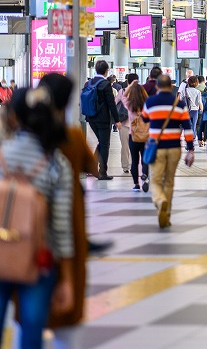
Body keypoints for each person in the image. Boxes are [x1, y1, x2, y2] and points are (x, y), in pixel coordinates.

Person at [0, 87, 75, 349]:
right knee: (32, 329)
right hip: (39, 256)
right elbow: (62, 226)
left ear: (13, 118)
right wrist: (66, 277)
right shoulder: (57, 164)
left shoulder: (2, 155)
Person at [32, 74, 98, 348]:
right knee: (67, 311)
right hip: (68, 221)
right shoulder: (70, 135)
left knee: (31, 301)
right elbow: (93, 168)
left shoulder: (25, 137)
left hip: (28, 227)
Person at [141, 75, 195, 228]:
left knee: (156, 179)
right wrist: (190, 149)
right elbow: (188, 128)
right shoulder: (179, 104)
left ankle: (160, 201)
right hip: (174, 147)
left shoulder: (150, 102)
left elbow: (144, 119)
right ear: (171, 87)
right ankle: (167, 215)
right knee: (169, 181)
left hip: (156, 147)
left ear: (157, 87)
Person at [84, 60, 119, 180]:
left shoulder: (89, 83)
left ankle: (90, 165)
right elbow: (111, 104)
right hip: (103, 120)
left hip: (91, 117)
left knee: (101, 142)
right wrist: (117, 120)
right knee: (105, 145)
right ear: (106, 71)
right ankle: (102, 172)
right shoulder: (105, 84)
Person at [123, 78, 150, 192]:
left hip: (133, 135)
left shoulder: (130, 105)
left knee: (134, 160)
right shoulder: (148, 104)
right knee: (145, 159)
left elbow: (123, 96)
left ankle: (136, 184)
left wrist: (130, 86)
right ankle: (144, 177)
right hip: (145, 136)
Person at [114, 75, 133, 174]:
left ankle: (125, 166)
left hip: (124, 123)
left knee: (125, 146)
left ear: (128, 81)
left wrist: (116, 119)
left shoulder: (122, 91)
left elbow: (114, 103)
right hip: (137, 124)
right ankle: (133, 165)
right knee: (136, 146)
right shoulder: (141, 92)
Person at [183, 76, 203, 142]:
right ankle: (193, 138)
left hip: (186, 110)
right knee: (194, 125)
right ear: (196, 83)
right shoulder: (198, 92)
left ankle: (187, 139)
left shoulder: (185, 90)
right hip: (195, 111)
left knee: (187, 126)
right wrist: (202, 109)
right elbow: (199, 102)